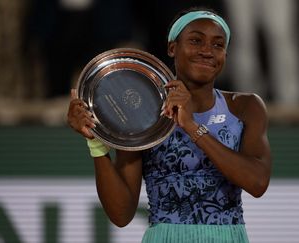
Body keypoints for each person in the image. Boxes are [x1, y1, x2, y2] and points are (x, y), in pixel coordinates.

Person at [67, 7, 272, 242]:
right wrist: (95, 143)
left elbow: (257, 183)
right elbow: (121, 214)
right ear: (172, 48)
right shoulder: (143, 115)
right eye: (196, 41)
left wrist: (191, 126)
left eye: (218, 45)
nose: (207, 51)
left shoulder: (245, 106)